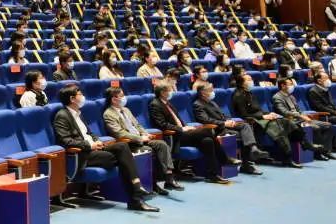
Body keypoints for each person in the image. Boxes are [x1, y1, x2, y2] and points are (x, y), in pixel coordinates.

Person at [52, 84, 158, 212]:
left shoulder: (78, 114)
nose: (83, 97)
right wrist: (90, 145)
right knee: (122, 159)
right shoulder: (62, 115)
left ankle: (136, 189)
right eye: (80, 94)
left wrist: (96, 141)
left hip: (94, 149)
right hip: (83, 154)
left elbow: (88, 133)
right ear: (72, 99)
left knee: (122, 146)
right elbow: (65, 141)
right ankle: (136, 195)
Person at [148, 82, 234, 183]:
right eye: (170, 90)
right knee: (207, 131)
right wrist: (181, 129)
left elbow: (177, 120)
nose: (172, 92)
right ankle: (224, 159)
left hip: (184, 134)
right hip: (174, 137)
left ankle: (212, 175)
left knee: (208, 141)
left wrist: (186, 127)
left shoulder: (168, 103)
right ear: (162, 93)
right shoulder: (155, 104)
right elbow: (162, 124)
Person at [101, 86, 180, 194]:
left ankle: (169, 177)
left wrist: (145, 133)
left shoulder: (126, 110)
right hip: (129, 143)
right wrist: (140, 138)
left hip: (141, 139)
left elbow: (137, 125)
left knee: (162, 144)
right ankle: (153, 184)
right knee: (149, 150)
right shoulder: (108, 114)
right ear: (114, 99)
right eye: (122, 96)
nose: (124, 98)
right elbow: (119, 133)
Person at [231, 72, 306, 168]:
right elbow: (244, 114)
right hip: (253, 121)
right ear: (241, 83)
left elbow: (258, 110)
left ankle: (304, 142)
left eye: (251, 79)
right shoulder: (238, 95)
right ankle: (288, 158)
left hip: (261, 118)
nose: (252, 81)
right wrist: (263, 117)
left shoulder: (249, 93)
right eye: (249, 79)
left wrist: (269, 113)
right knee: (279, 129)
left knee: (286, 121)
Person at [191, 81, 267, 174]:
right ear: (203, 93)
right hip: (216, 129)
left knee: (245, 125)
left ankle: (254, 148)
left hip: (225, 126)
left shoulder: (212, 102)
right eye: (210, 90)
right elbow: (205, 120)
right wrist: (224, 123)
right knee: (243, 135)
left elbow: (222, 115)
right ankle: (247, 163)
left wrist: (230, 120)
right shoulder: (198, 104)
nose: (213, 92)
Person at [272, 77, 334, 159]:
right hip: (291, 122)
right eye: (290, 84)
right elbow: (284, 112)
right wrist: (300, 115)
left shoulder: (291, 97)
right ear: (283, 86)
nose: (292, 86)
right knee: (316, 127)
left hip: (300, 119)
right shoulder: (277, 97)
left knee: (328, 126)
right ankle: (318, 153)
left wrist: (304, 116)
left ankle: (327, 151)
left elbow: (299, 110)